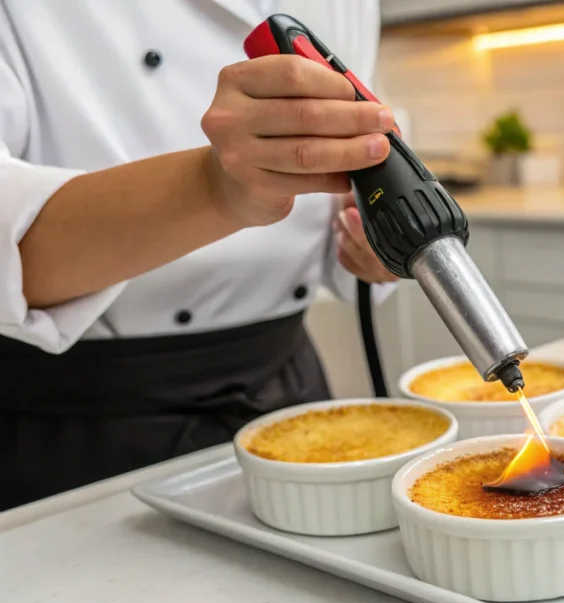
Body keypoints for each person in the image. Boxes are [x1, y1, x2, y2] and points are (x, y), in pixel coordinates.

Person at [0, 0, 397, 511]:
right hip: (77, 428)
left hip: (289, 397)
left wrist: (369, 234)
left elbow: (343, 174)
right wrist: (214, 189)